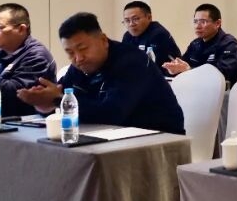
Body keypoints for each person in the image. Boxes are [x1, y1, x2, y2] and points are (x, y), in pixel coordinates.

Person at [18, 12, 185, 134]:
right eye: (70, 53)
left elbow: (112, 113)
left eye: (83, 48)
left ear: (103, 40)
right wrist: (43, 102)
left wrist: (56, 99)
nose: (78, 58)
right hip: (108, 137)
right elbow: (62, 97)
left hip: (158, 138)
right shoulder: (80, 66)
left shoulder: (131, 61)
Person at [164, 4, 237, 84]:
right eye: (195, 21)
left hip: (225, 91)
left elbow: (221, 74)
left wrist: (189, 70)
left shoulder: (229, 44)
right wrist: (174, 70)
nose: (197, 26)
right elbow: (184, 65)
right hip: (196, 88)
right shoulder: (195, 44)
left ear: (217, 23)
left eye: (203, 22)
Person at [120, 0, 182, 69]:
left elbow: (153, 66)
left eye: (135, 19)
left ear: (149, 17)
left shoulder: (158, 34)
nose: (131, 24)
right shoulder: (127, 36)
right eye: (127, 20)